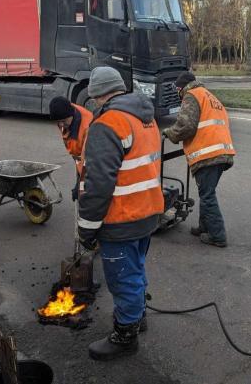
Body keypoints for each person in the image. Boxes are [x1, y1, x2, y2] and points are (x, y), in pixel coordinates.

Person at [77, 67, 164, 361]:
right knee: (136, 269)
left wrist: (86, 229)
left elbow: (99, 184)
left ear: (96, 95)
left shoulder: (108, 123)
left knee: (123, 279)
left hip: (122, 219)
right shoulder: (146, 118)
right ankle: (137, 317)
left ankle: (125, 336)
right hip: (147, 212)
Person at [162, 71, 235, 248]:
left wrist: (169, 133)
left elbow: (185, 126)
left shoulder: (191, 95)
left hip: (208, 153)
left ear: (181, 88)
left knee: (208, 195)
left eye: (178, 90)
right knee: (206, 192)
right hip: (221, 152)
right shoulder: (208, 95)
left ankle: (218, 236)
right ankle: (205, 226)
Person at [49, 96, 93, 198]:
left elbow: (88, 162)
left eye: (63, 121)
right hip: (79, 157)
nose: (61, 125)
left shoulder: (87, 127)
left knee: (85, 195)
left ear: (71, 114)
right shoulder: (66, 115)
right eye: (58, 122)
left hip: (89, 163)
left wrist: (80, 184)